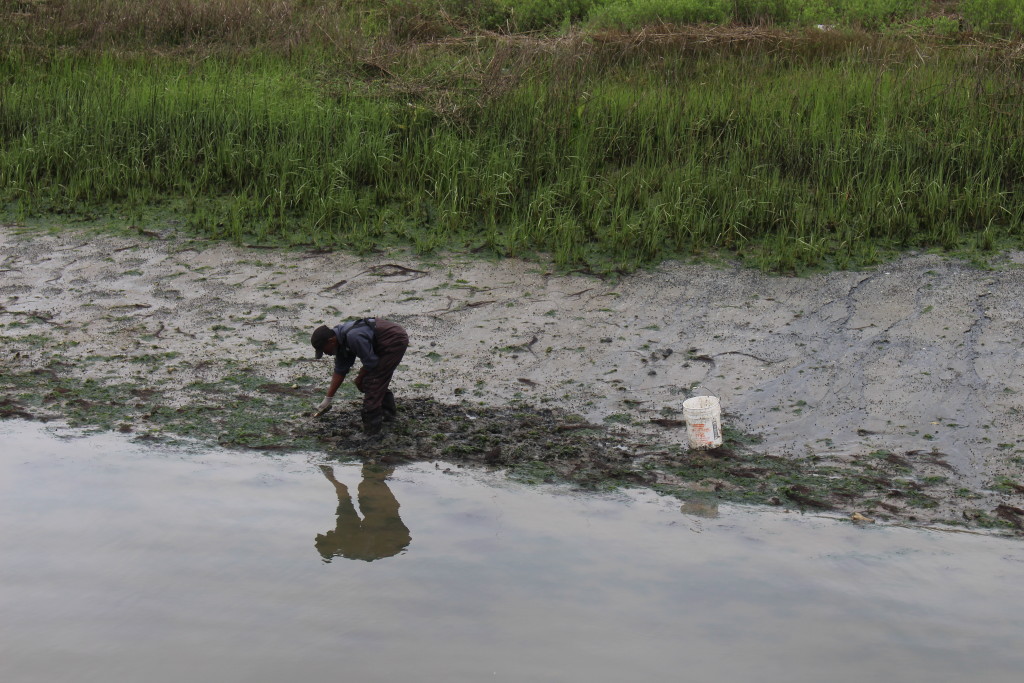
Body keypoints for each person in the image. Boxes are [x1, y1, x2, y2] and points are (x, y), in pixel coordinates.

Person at [310, 317, 408, 435]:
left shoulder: (353, 337)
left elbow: (371, 362)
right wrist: (327, 399)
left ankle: (372, 432)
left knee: (372, 382)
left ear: (331, 341)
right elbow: (340, 371)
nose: (326, 353)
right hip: (381, 342)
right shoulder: (340, 341)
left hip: (394, 340)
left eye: (324, 350)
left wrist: (359, 378)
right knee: (370, 382)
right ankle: (388, 415)